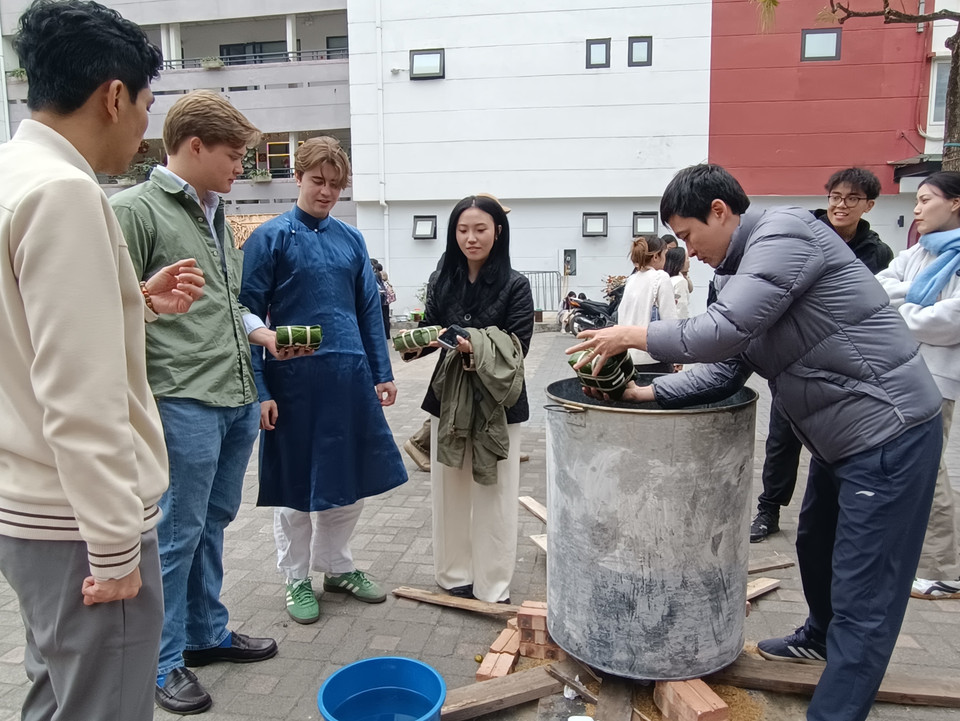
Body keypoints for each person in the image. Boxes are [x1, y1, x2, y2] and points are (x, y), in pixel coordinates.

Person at [570, 164, 942, 721]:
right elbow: (726, 367)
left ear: (720, 211)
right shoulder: (736, 274)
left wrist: (632, 333)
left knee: (866, 593)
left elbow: (721, 332)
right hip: (842, 438)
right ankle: (818, 637)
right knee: (815, 543)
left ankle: (836, 711)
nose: (687, 252)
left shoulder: (784, 235)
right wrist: (644, 393)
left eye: (689, 235)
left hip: (889, 431)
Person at [0, 2, 204, 719]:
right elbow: (79, 394)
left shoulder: (12, 173)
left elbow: (22, 335)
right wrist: (116, 547)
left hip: (31, 509)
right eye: (147, 107)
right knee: (102, 705)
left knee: (55, 695)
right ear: (113, 96)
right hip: (82, 523)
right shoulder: (65, 193)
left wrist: (131, 302)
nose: (145, 130)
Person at [112, 90, 288, 715]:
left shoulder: (215, 213)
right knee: (175, 532)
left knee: (212, 522)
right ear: (193, 146)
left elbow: (223, 300)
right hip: (182, 396)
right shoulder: (133, 209)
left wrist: (256, 331)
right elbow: (110, 302)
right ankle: (159, 664)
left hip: (235, 390)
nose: (243, 167)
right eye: (235, 156)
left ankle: (204, 633)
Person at [240, 137, 408, 625]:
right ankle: (296, 577)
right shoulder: (270, 237)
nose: (327, 192)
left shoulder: (352, 239)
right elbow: (246, 313)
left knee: (349, 481)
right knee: (296, 488)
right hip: (292, 384)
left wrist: (382, 373)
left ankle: (337, 566)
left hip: (350, 379)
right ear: (298, 177)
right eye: (317, 181)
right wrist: (262, 391)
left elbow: (368, 310)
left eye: (336, 185)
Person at [750, 167, 894, 542]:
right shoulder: (804, 234)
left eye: (851, 199)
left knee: (840, 444)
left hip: (847, 366)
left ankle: (838, 516)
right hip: (795, 357)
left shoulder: (877, 253)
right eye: (835, 197)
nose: (841, 205)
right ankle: (769, 509)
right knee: (782, 437)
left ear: (869, 204)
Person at [404, 195, 534, 603]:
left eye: (480, 229)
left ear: (498, 231)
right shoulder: (442, 279)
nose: (471, 238)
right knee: (449, 488)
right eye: (462, 230)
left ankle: (494, 584)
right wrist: (416, 343)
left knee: (495, 493)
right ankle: (453, 574)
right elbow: (431, 328)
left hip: (499, 401)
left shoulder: (517, 285)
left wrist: (471, 343)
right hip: (449, 397)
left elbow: (518, 347)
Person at [877, 171, 960, 600]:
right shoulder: (918, 253)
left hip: (937, 377)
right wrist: (918, 295)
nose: (917, 208)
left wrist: (903, 312)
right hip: (902, 372)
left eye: (926, 199)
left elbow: (950, 323)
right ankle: (915, 559)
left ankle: (944, 569)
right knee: (911, 467)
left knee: (931, 470)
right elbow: (877, 289)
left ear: (955, 203)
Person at [619, 235, 677, 373]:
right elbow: (670, 322)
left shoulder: (631, 280)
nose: (665, 259)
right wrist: (677, 357)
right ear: (656, 256)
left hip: (629, 358)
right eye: (664, 254)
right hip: (654, 358)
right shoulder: (661, 277)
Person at [663, 246, 690, 319]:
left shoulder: (667, 279)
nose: (689, 261)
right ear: (680, 262)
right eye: (687, 258)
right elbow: (681, 309)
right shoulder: (680, 282)